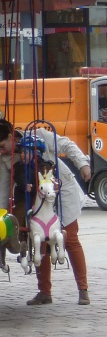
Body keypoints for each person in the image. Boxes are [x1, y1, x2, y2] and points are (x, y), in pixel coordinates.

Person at [0, 120, 93, 305]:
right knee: (39, 240)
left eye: (1, 146)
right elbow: (4, 190)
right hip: (34, 199)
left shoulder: (39, 135)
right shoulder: (5, 160)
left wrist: (82, 164)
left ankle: (83, 290)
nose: (0, 151)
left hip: (61, 192)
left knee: (70, 238)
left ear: (11, 137)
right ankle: (44, 292)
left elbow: (66, 144)